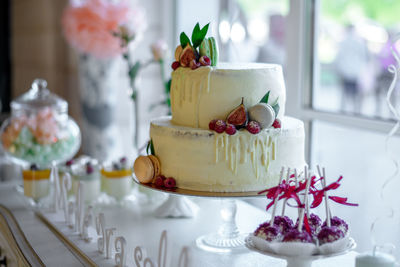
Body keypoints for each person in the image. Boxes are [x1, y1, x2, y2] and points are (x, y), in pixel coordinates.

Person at [335, 24, 369, 113]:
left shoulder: (343, 43)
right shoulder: (359, 43)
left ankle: (345, 112)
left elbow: (338, 58)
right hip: (353, 72)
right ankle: (355, 112)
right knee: (354, 95)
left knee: (345, 94)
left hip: (346, 72)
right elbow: (365, 58)